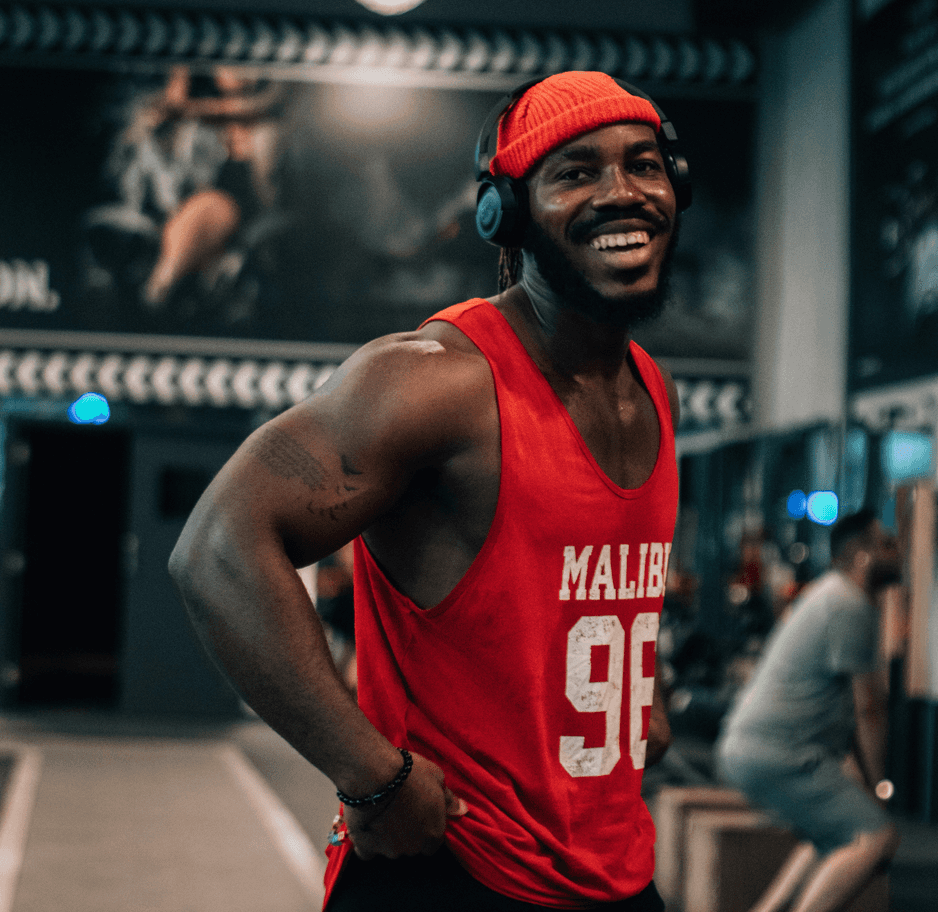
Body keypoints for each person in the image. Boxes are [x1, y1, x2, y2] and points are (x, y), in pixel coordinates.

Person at [169, 71, 686, 910]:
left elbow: (582, 584)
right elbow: (218, 549)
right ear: (505, 215)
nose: (621, 193)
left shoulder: (652, 387)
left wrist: (636, 698)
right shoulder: (432, 383)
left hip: (612, 869)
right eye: (576, 172)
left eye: (644, 165)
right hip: (454, 869)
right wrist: (371, 776)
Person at [716, 508, 902, 912]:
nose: (899, 552)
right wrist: (878, 788)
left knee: (829, 835)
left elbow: (850, 717)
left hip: (752, 748)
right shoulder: (849, 605)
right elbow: (869, 709)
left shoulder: (831, 593)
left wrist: (866, 787)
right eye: (888, 544)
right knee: (875, 835)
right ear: (863, 556)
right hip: (775, 753)